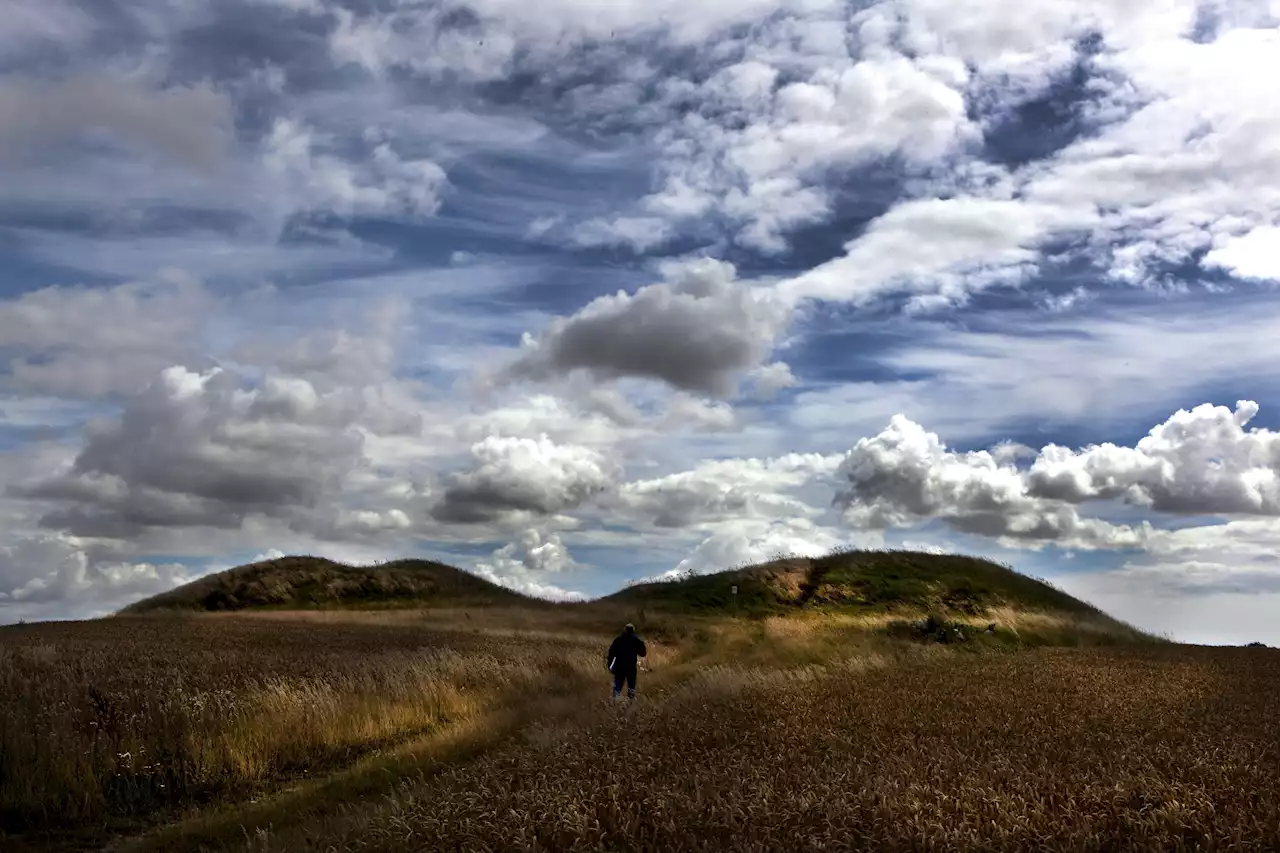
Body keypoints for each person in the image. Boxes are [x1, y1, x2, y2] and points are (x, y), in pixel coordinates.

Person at [606, 623, 647, 700]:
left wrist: (610, 666)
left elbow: (611, 653)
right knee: (631, 686)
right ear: (633, 631)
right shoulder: (636, 641)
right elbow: (643, 653)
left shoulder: (618, 640)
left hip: (619, 667)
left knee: (617, 686)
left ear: (625, 630)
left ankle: (616, 702)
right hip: (631, 667)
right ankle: (630, 702)